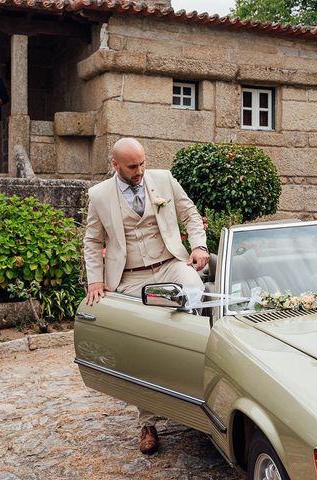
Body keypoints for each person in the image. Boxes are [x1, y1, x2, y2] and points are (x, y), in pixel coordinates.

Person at [83, 137, 209, 455]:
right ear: (115, 165)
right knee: (141, 339)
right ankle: (148, 421)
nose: (139, 170)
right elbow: (91, 240)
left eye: (142, 163)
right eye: (132, 166)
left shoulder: (164, 179)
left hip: (170, 264)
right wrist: (95, 281)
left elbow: (191, 214)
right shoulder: (99, 196)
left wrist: (198, 246)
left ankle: (196, 392)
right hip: (129, 277)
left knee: (195, 293)